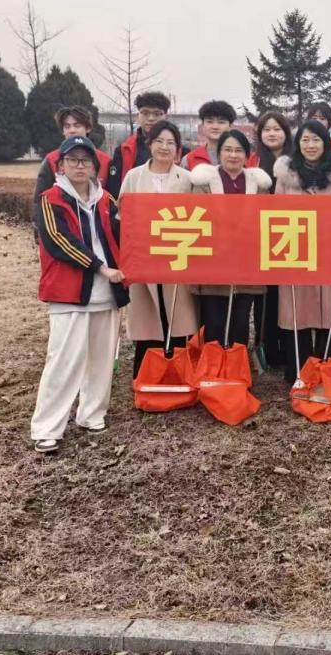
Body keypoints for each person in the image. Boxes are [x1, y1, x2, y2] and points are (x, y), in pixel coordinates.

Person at [31, 135, 128, 454]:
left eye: (86, 160)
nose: (79, 166)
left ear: (95, 167)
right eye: (72, 160)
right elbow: (58, 240)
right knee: (64, 361)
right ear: (60, 165)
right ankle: (47, 428)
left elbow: (126, 236)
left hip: (108, 293)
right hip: (69, 293)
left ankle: (92, 414)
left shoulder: (107, 200)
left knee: (102, 359)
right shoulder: (50, 199)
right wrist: (100, 267)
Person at [274, 120, 331, 383]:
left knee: (329, 311)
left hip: (330, 251)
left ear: (325, 143)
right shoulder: (285, 175)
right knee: (297, 312)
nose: (310, 145)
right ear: (298, 144)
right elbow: (275, 214)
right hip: (294, 250)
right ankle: (298, 370)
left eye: (316, 139)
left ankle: (327, 369)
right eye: (305, 140)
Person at [118, 121, 197, 376]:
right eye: (159, 141)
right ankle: (147, 373)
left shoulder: (186, 179)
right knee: (149, 317)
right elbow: (123, 216)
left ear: (178, 149)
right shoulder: (134, 177)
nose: (164, 147)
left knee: (177, 314)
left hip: (178, 256)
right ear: (149, 144)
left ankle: (178, 372)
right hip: (144, 258)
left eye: (170, 143)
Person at [189, 130, 272, 346]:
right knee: (213, 320)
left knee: (241, 319)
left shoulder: (258, 185)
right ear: (219, 153)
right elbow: (197, 218)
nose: (233, 155)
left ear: (247, 156)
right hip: (213, 263)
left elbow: (265, 220)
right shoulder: (204, 182)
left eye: (238, 151)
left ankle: (237, 362)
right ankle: (213, 363)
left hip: (247, 263)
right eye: (227, 150)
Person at [252, 111, 296, 367]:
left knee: (287, 293)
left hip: (292, 232)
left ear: (286, 133)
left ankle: (289, 346)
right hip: (262, 236)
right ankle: (267, 347)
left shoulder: (296, 160)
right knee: (265, 295)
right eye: (267, 129)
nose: (272, 134)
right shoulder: (254, 162)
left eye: (277, 129)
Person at [34, 108, 112, 216]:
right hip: (61, 221)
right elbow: (39, 201)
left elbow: (112, 199)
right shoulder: (51, 160)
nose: (72, 130)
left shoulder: (106, 161)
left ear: (88, 128)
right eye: (67, 126)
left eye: (77, 125)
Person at [106, 91, 171, 197]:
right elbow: (113, 191)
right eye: (145, 113)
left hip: (172, 206)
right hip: (134, 205)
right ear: (137, 116)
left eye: (157, 114)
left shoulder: (180, 151)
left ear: (166, 117)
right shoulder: (123, 151)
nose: (151, 118)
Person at [182, 100, 235, 170]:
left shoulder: (244, 158)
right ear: (203, 125)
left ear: (231, 126)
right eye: (210, 122)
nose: (215, 127)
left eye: (221, 122)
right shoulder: (189, 159)